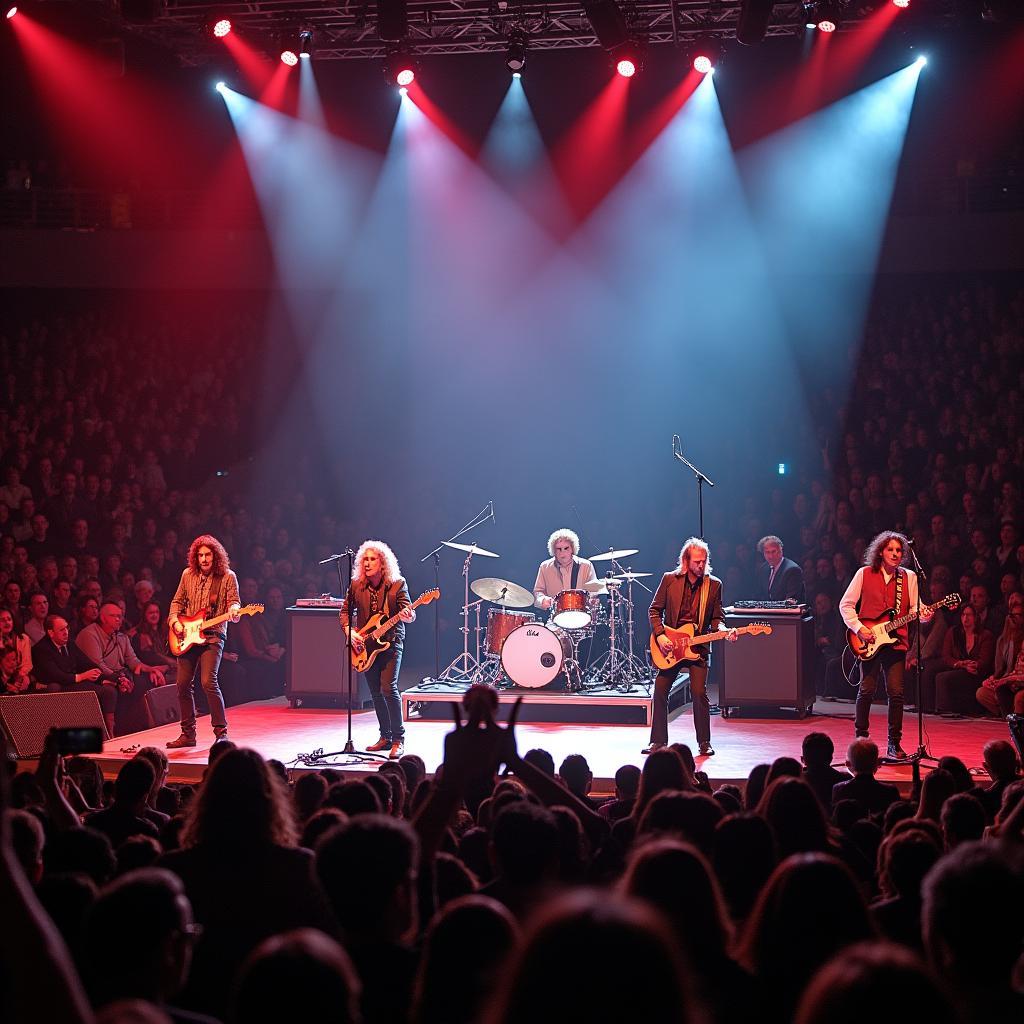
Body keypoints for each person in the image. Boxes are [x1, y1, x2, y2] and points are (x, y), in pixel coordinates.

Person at [839, 531, 932, 760]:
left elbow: (915, 610)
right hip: (868, 639)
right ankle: (861, 739)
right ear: (880, 551)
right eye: (890, 549)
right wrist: (860, 629)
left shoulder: (908, 577)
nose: (895, 554)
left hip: (896, 642)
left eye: (899, 550)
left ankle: (894, 743)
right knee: (867, 690)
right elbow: (846, 605)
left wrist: (924, 615)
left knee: (896, 693)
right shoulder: (864, 573)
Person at [645, 537, 736, 757]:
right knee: (660, 690)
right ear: (686, 561)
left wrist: (724, 629)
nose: (701, 565)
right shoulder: (670, 580)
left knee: (698, 692)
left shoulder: (713, 585)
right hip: (671, 647)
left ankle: (704, 742)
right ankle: (657, 742)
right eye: (696, 562)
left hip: (698, 647)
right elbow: (654, 611)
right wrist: (661, 636)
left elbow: (717, 618)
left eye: (704, 561)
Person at [338, 540, 415, 759]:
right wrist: (349, 631)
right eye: (365, 559)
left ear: (383, 563)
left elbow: (408, 611)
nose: (368, 563)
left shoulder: (397, 584)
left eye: (373, 559)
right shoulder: (356, 585)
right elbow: (344, 612)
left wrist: (410, 615)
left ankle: (399, 739)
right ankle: (385, 737)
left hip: (391, 642)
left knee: (388, 687)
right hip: (365, 646)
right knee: (375, 693)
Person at [166, 534, 241, 748]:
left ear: (215, 556)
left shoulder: (227, 576)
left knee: (208, 682)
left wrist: (235, 610)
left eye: (208, 555)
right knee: (181, 685)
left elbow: (234, 602)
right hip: (188, 635)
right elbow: (176, 602)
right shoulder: (187, 574)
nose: (204, 559)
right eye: (200, 555)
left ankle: (221, 733)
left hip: (213, 635)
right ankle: (188, 734)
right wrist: (175, 623)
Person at [76, 602, 167, 734]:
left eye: (120, 616)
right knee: (116, 688)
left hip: (119, 675)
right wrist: (119, 679)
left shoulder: (121, 637)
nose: (118, 619)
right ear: (103, 618)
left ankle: (134, 726)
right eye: (114, 616)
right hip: (97, 677)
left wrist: (151, 670)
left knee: (144, 680)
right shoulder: (90, 634)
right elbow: (98, 664)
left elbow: (133, 661)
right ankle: (115, 730)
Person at [32, 615, 114, 732]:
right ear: (50, 633)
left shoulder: (69, 644)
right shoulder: (41, 649)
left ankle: (110, 732)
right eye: (61, 630)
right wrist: (82, 676)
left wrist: (104, 678)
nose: (66, 632)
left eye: (67, 628)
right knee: (92, 693)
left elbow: (87, 664)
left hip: (73, 682)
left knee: (108, 690)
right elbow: (55, 675)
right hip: (56, 685)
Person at [532, 528, 598, 612]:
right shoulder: (545, 567)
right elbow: (538, 592)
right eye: (558, 549)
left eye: (566, 548)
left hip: (581, 616)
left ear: (572, 549)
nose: (562, 552)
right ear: (554, 551)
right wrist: (542, 600)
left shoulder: (586, 566)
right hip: (555, 617)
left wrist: (591, 600)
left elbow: (594, 592)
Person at [756, 535, 806, 603]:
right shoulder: (763, 568)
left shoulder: (793, 570)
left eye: (774, 551)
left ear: (781, 550)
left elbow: (792, 600)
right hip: (767, 612)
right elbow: (760, 595)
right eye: (767, 552)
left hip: (787, 612)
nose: (771, 556)